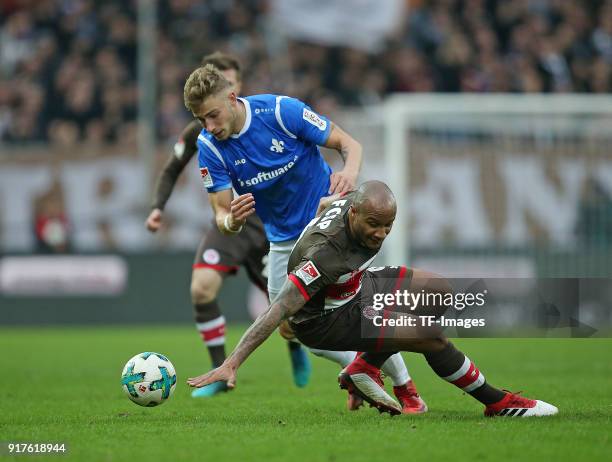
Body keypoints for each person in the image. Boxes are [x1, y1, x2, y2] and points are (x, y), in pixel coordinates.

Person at [187, 181, 558, 418]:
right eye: (373, 225)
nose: (380, 234)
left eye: (387, 226)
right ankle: (497, 403)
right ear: (354, 214)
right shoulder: (325, 256)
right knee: (429, 336)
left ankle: (363, 368)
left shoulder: (353, 203)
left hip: (357, 287)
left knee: (440, 289)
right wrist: (232, 362)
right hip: (326, 322)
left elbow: (321, 208)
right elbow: (280, 309)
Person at [183, 66, 427, 413]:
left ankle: (405, 388)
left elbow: (349, 144)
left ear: (232, 99)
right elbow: (221, 215)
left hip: (328, 226)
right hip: (284, 241)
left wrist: (348, 174)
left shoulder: (281, 112)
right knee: (292, 329)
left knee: (351, 317)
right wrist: (232, 220)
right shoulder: (209, 146)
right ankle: (359, 371)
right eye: (200, 119)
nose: (208, 126)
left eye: (212, 115)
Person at [145, 52, 310, 396]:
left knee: (288, 308)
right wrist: (158, 207)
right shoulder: (202, 132)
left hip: (272, 225)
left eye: (231, 82)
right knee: (201, 287)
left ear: (235, 89)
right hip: (229, 223)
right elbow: (173, 167)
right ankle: (218, 371)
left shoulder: (262, 118)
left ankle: (294, 345)